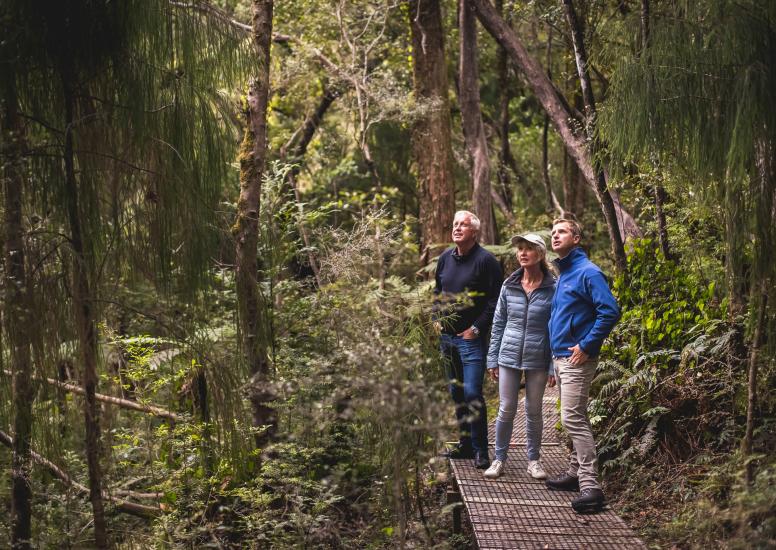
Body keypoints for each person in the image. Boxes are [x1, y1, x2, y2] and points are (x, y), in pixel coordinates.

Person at [544, 217, 620, 513]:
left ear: (576, 238)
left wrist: (588, 345)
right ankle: (576, 473)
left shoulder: (588, 272)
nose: (555, 235)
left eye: (562, 231)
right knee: (572, 417)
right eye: (553, 232)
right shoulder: (564, 273)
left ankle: (591, 487)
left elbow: (610, 311)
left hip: (577, 357)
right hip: (561, 357)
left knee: (574, 419)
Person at [483, 233, 556, 480]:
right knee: (506, 408)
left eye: (529, 248)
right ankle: (499, 459)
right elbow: (498, 323)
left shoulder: (553, 287)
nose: (522, 253)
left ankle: (534, 460)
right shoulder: (509, 285)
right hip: (508, 353)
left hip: (539, 355)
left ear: (541, 254)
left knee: (534, 409)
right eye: (520, 249)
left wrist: (553, 366)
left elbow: (556, 327)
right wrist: (492, 358)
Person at [435, 210, 503, 469]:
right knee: (456, 392)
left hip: (470, 339)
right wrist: (435, 319)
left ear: (474, 232)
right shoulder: (445, 259)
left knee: (473, 392)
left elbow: (495, 301)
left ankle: (480, 450)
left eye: (463, 225)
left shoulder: (486, 261)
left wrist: (476, 328)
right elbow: (437, 293)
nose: (458, 228)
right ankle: (464, 446)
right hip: (447, 339)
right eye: (455, 224)